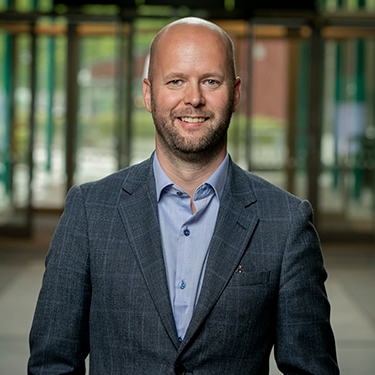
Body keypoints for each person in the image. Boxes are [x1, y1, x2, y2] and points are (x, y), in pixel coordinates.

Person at [28, 17, 339, 375]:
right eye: (176, 81)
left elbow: (312, 370)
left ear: (235, 93)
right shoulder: (88, 211)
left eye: (210, 81)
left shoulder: (286, 222)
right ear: (148, 94)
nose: (193, 98)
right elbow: (52, 363)